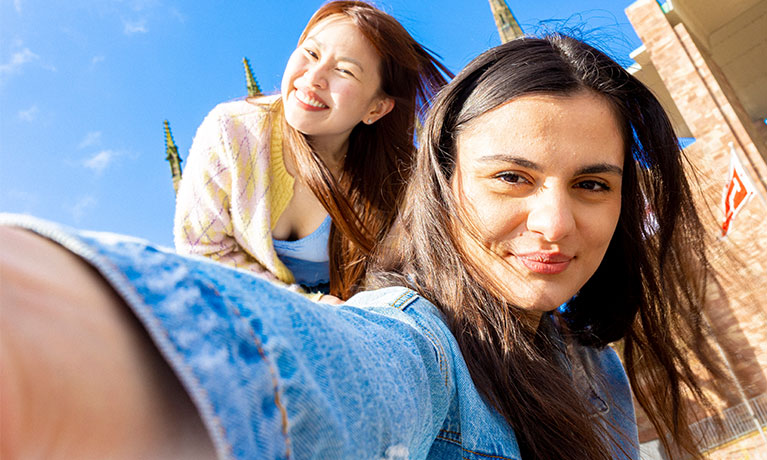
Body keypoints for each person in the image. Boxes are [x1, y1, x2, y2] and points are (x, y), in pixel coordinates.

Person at [0, 35, 724, 460]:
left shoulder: (595, 366)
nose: (554, 222)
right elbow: (312, 364)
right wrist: (40, 322)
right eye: (511, 177)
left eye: (592, 184)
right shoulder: (422, 345)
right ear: (440, 182)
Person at [174, 1, 451, 299]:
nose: (313, 78)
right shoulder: (233, 131)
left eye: (344, 70)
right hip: (250, 309)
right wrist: (311, 305)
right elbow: (201, 249)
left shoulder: (397, 179)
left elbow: (404, 278)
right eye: (311, 52)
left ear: (376, 108)